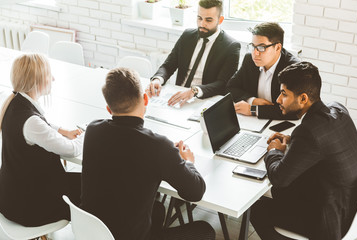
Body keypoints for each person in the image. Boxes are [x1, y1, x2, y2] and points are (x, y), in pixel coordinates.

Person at [81, 67, 215, 240]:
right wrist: (188, 162)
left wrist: (167, 155)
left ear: (108, 108)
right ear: (145, 99)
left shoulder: (93, 130)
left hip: (91, 233)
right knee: (205, 231)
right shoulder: (158, 146)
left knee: (158, 209)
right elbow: (195, 192)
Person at [250, 62, 357, 240]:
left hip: (328, 221)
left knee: (257, 208)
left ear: (302, 99)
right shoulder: (339, 109)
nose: (278, 100)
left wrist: (274, 150)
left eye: (284, 94)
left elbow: (278, 178)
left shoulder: (308, 131)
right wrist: (292, 141)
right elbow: (322, 145)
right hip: (350, 208)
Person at [0, 53, 84, 226]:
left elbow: (37, 127)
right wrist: (87, 134)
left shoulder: (14, 103)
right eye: (48, 75)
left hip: (11, 197)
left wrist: (63, 130)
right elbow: (72, 149)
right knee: (93, 185)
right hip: (30, 208)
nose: (53, 79)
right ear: (36, 80)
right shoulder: (31, 121)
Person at [146, 0, 240, 107]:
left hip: (204, 101)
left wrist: (194, 91)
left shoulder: (231, 46)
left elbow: (223, 84)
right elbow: (168, 65)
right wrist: (158, 79)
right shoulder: (187, 36)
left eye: (208, 20)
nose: (202, 24)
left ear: (220, 20)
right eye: (199, 18)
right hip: (178, 96)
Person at [227, 22, 299, 119]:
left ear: (277, 47)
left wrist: (253, 110)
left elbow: (293, 110)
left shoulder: (293, 68)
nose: (255, 53)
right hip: (254, 122)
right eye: (253, 46)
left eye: (261, 47)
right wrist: (253, 101)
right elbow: (231, 87)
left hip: (282, 124)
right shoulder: (250, 60)